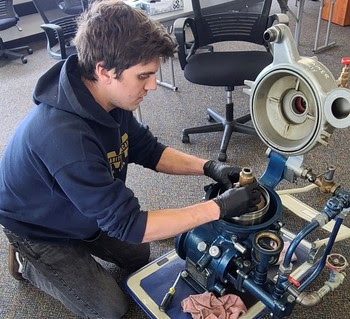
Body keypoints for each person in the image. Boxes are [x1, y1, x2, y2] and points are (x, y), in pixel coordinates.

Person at [0, 1, 261, 318]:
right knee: (110, 309)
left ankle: (87, 230)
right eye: (144, 76)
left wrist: (210, 167)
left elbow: (148, 150)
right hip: (39, 226)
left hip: (83, 208)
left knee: (139, 254)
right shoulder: (66, 139)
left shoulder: (108, 96)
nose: (152, 85)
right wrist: (218, 208)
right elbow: (129, 223)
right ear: (104, 70)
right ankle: (30, 263)